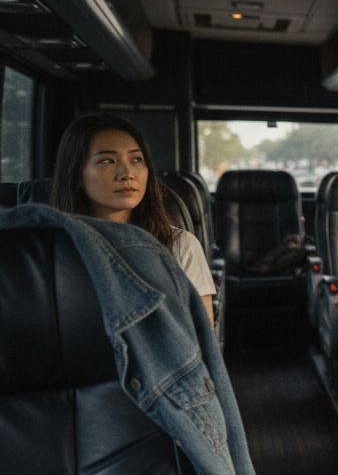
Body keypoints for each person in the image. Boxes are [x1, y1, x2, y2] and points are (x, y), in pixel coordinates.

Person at [50, 113, 215, 327]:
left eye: (136, 159)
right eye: (107, 160)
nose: (127, 173)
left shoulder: (179, 244)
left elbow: (201, 336)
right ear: (76, 175)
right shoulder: (53, 247)